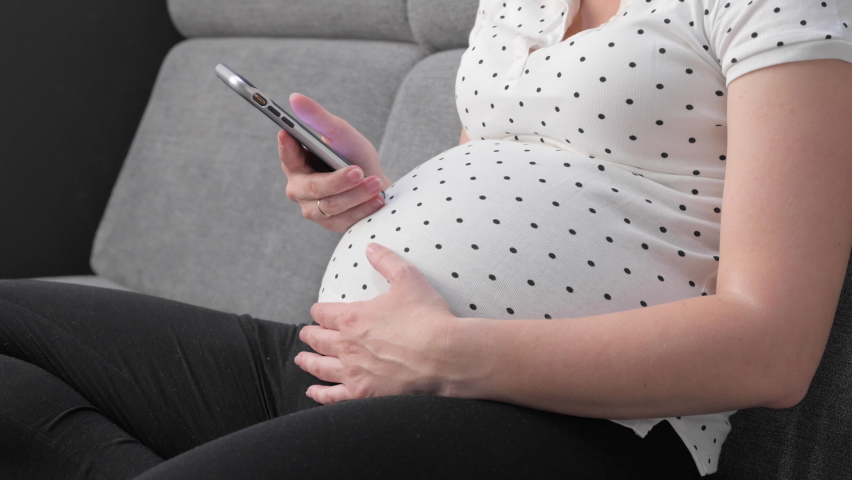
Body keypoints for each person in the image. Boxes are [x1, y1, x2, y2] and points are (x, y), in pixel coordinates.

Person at [2, 0, 851, 478]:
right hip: (351, 365)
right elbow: (507, 166)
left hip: (575, 426)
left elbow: (771, 349)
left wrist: (447, 354)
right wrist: (375, 195)